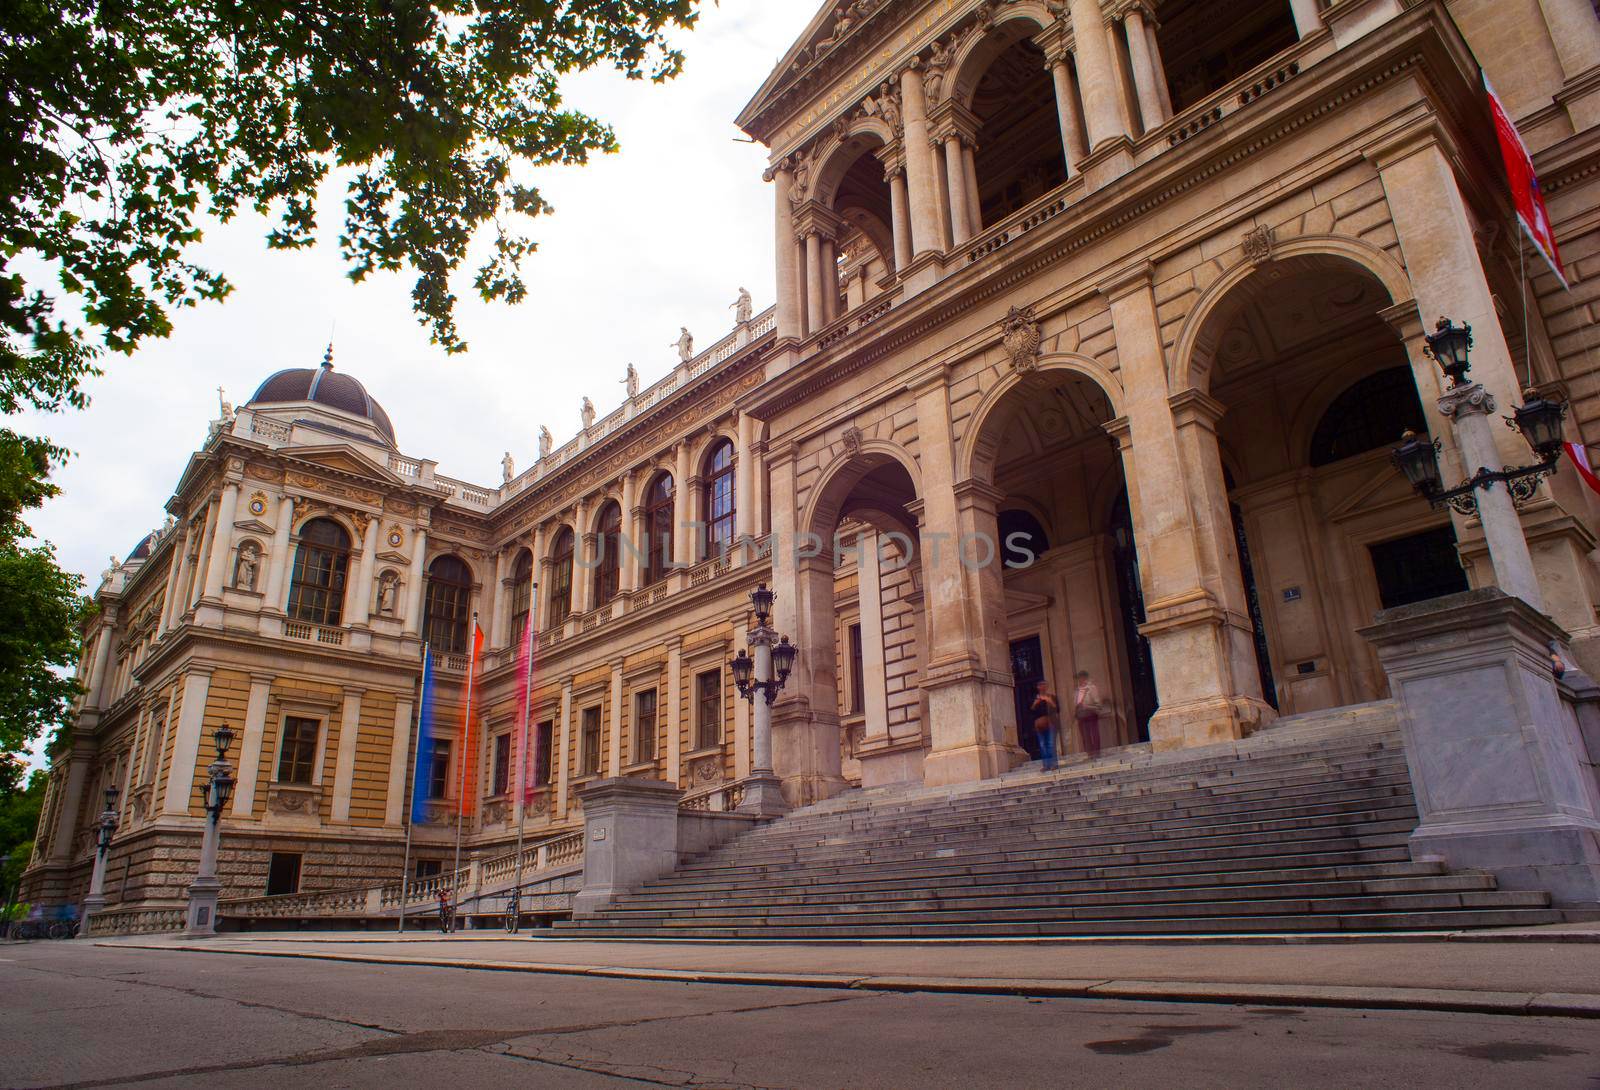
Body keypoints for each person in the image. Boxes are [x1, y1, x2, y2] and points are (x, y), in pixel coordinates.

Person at [1029, 680, 1060, 771]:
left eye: (1044, 685)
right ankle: (1046, 765)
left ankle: (1053, 763)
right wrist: (1035, 703)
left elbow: (1058, 709)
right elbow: (1030, 712)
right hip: (1039, 725)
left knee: (1051, 744)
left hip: (1051, 723)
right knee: (1042, 745)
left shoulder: (1052, 697)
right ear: (1038, 687)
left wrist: (1050, 701)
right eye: (1040, 685)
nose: (1042, 687)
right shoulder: (1033, 699)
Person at [1074, 671, 1103, 758]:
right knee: (1085, 736)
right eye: (1078, 678)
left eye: (1081, 677)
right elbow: (1075, 704)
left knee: (1094, 734)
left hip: (1091, 714)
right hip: (1081, 715)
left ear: (1085, 678)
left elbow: (1099, 705)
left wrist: (1088, 706)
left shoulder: (1091, 688)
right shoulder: (1077, 690)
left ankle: (1097, 752)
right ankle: (1089, 753)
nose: (1079, 680)